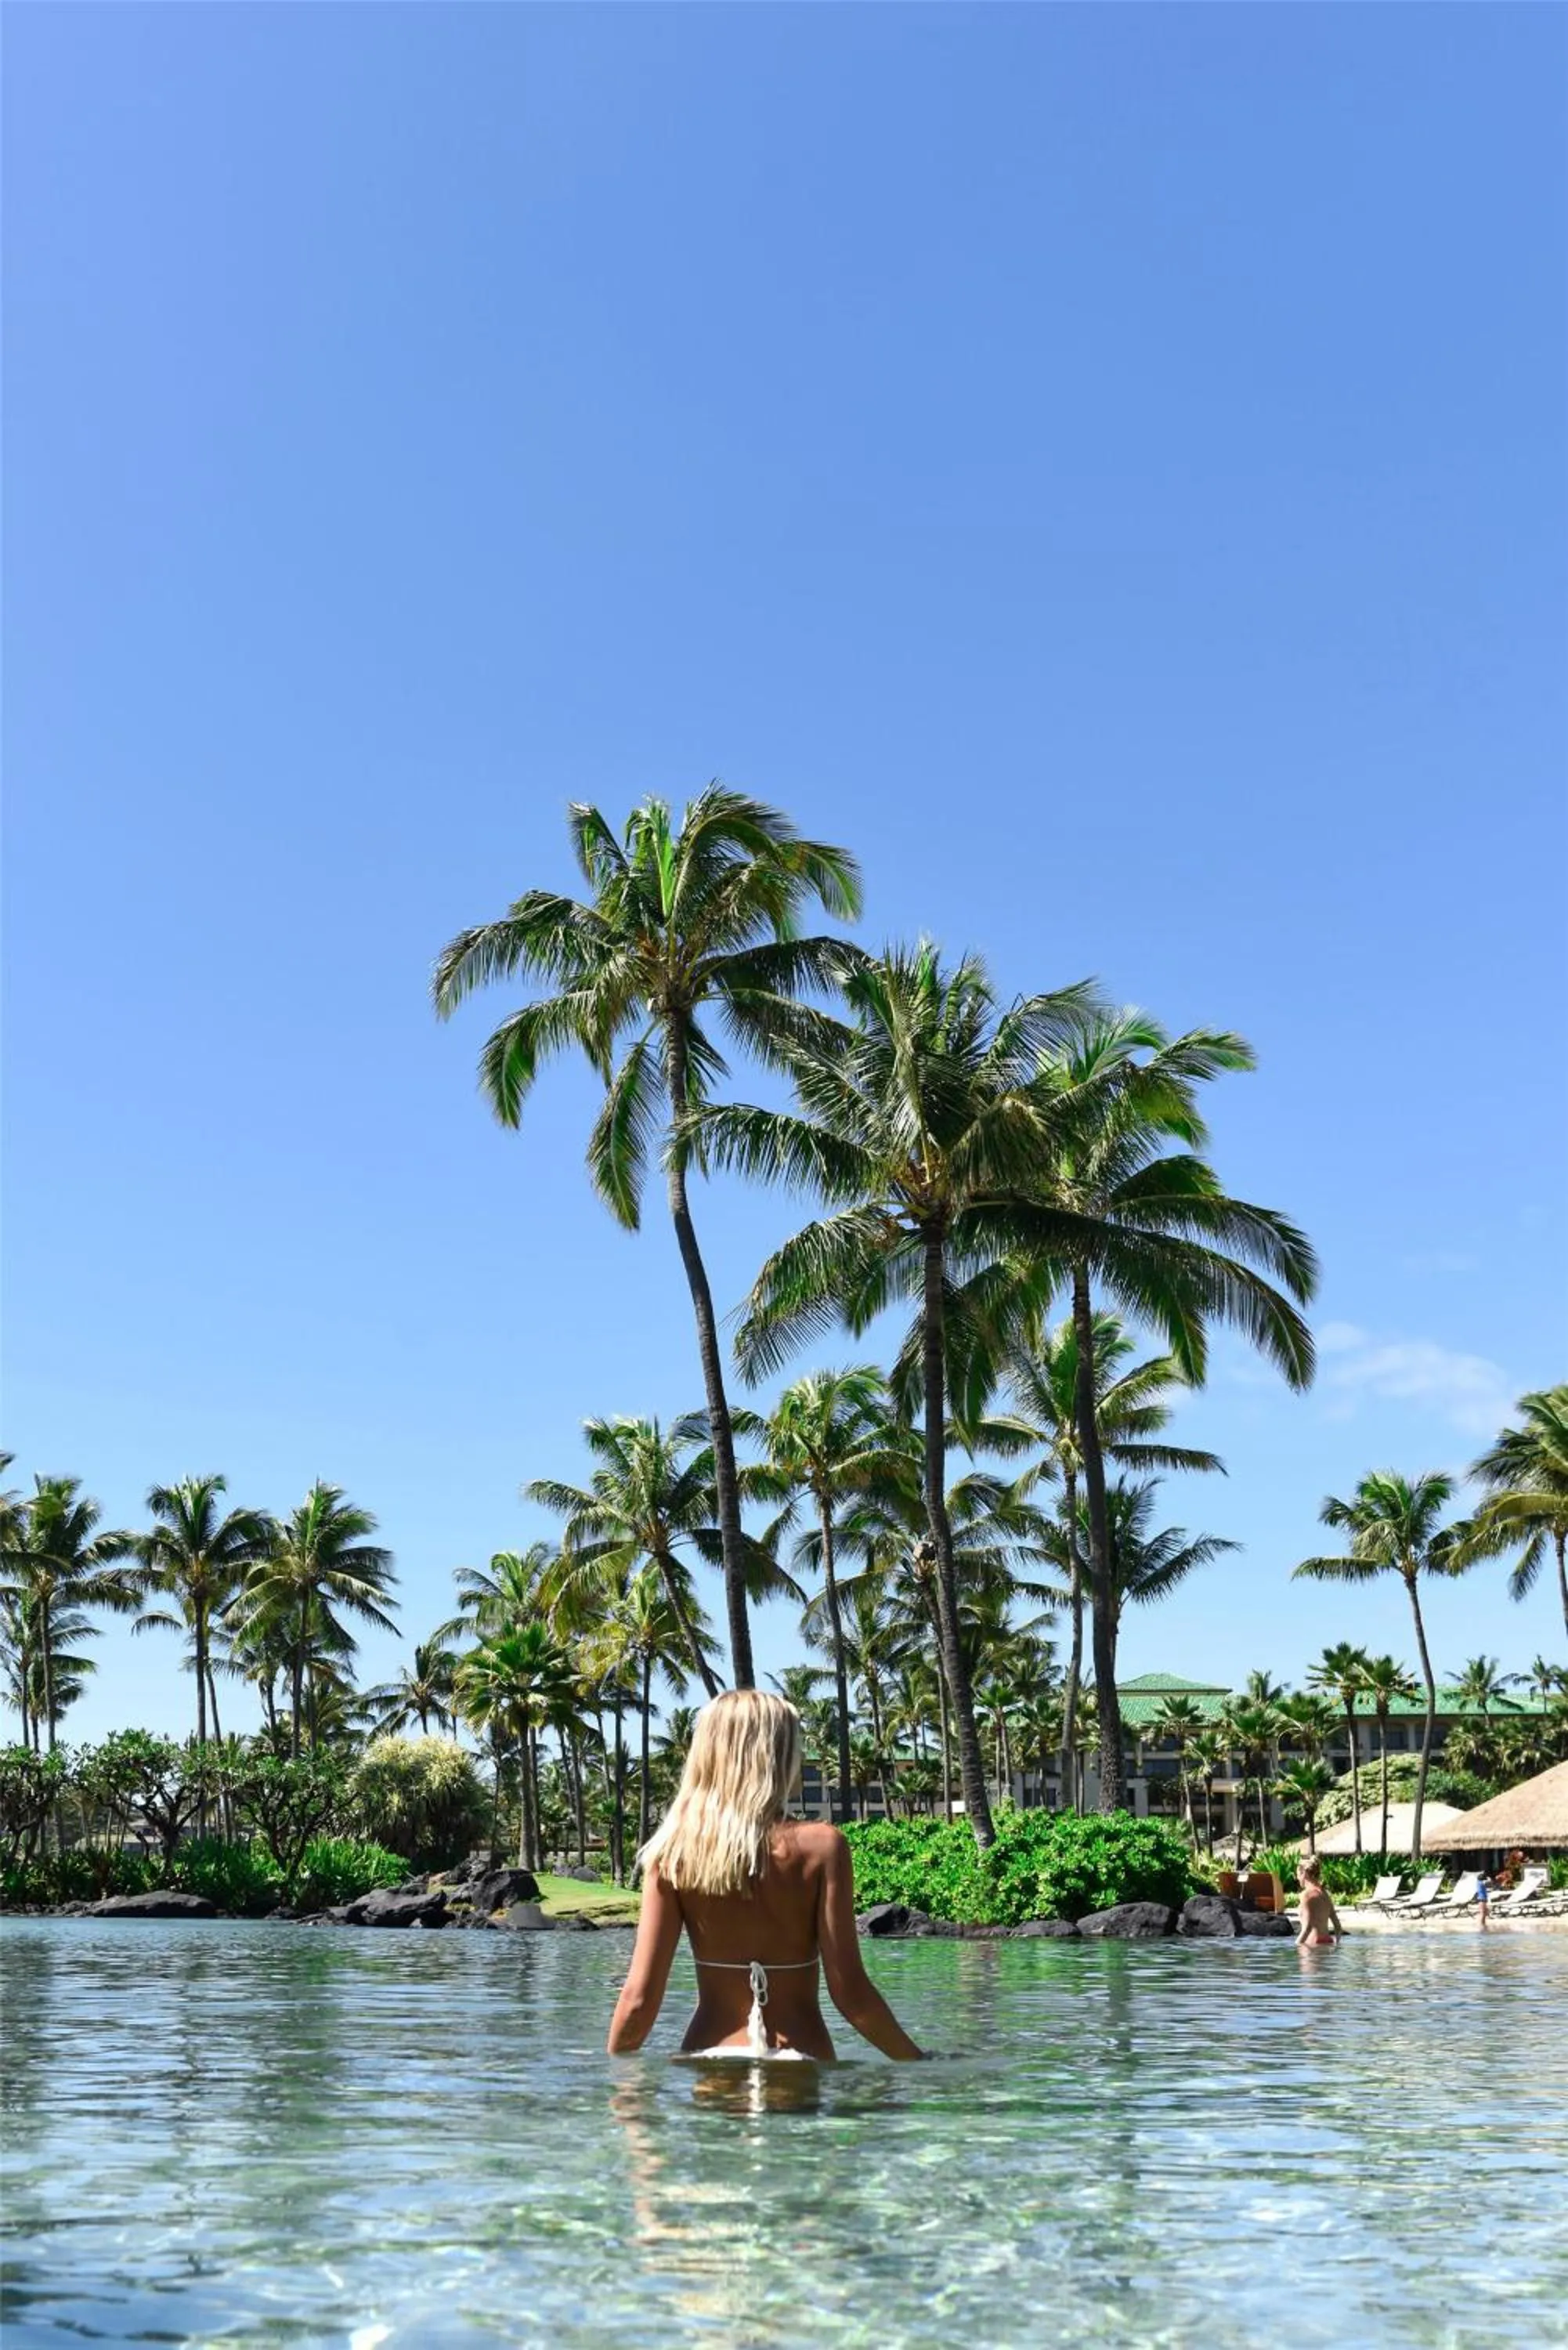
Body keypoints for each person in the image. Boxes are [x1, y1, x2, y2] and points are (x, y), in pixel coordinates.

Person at [606, 1689, 926, 2063]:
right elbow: (851, 1995)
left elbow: (639, 2001)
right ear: (776, 1755)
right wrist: (918, 2062)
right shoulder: (823, 1847)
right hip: (800, 2059)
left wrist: (615, 2078)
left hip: (711, 2058)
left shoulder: (673, 1855)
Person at [1295, 1854, 1344, 1948]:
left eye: (1298, 1875)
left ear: (1304, 1873)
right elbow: (1338, 1927)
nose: (1297, 1878)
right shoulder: (1324, 1894)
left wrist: (1296, 1946)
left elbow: (1308, 1928)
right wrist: (1337, 1947)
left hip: (1311, 1944)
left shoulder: (1306, 1895)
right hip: (1328, 1942)